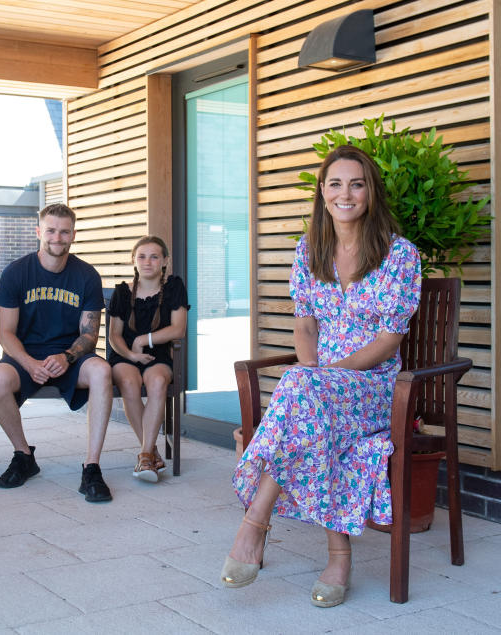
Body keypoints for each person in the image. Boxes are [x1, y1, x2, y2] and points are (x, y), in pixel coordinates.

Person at [223, 146, 421, 608]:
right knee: (308, 398)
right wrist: (313, 372)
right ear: (322, 191)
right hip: (319, 387)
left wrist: (325, 375)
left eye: (356, 183)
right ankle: (337, 556)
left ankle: (256, 520)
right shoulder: (310, 248)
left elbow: (390, 339)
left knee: (304, 392)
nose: (345, 193)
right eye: (335, 183)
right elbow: (305, 323)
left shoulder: (399, 255)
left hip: (374, 386)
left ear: (370, 191)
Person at [0, 203, 114, 502]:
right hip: (26, 354)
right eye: (51, 230)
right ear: (39, 232)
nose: (58, 237)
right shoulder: (17, 272)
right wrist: (29, 363)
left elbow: (89, 333)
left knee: (102, 370)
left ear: (73, 235)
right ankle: (23, 456)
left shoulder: (86, 276)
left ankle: (91, 467)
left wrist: (67, 357)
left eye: (64, 231)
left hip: (70, 356)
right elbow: (5, 332)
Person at [107, 236, 188, 482]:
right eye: (142, 256)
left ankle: (144, 453)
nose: (148, 262)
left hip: (158, 354)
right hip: (123, 355)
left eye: (154, 257)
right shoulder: (122, 292)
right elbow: (114, 336)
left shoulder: (174, 288)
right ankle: (150, 453)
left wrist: (144, 340)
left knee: (157, 383)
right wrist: (132, 353)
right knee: (129, 383)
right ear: (133, 260)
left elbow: (178, 330)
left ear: (165, 261)